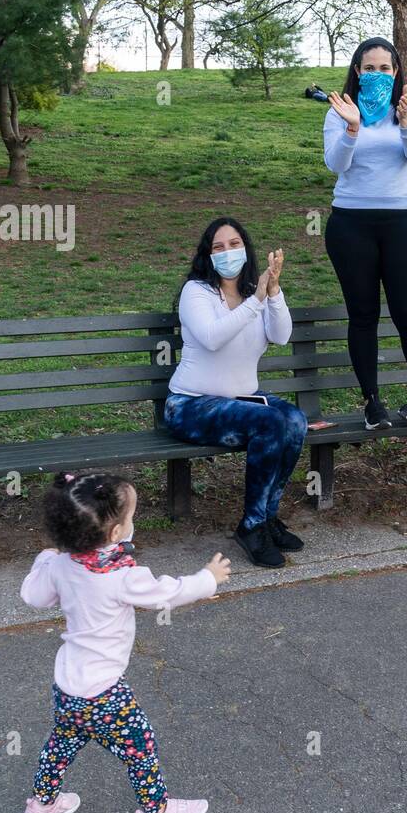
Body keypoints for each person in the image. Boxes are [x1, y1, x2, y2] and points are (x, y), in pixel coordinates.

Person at [18, 471, 232, 813]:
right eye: (130, 518)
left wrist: (44, 558)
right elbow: (169, 592)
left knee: (62, 743)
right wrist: (208, 578)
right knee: (141, 747)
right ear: (115, 534)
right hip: (104, 693)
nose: (132, 524)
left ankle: (41, 806)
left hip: (68, 686)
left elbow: (33, 596)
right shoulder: (121, 576)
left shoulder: (61, 566)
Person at [164, 217, 309, 568]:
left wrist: (273, 292)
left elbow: (281, 335)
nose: (227, 251)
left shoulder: (252, 295)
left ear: (245, 248)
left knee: (294, 420)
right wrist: (256, 299)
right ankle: (251, 525)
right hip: (190, 405)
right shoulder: (196, 292)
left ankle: (266, 518)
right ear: (207, 254)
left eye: (234, 244)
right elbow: (213, 338)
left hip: (241, 400)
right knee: (270, 424)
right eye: (218, 247)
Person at [324, 36, 407, 431]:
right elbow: (335, 162)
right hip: (350, 225)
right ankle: (372, 402)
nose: (376, 75)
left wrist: (405, 124)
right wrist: (352, 128)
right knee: (363, 315)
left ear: (396, 71)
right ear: (357, 71)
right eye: (368, 68)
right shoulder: (340, 112)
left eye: (384, 68)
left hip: (403, 223)